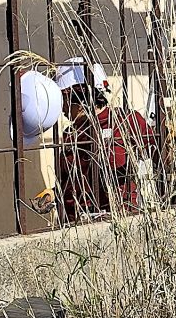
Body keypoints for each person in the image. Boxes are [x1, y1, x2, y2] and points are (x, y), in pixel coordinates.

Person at [51, 81, 152, 221]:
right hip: (75, 220)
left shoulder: (124, 121)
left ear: (80, 105)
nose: (63, 110)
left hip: (115, 216)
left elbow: (157, 149)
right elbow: (69, 178)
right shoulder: (71, 133)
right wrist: (52, 193)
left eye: (66, 103)